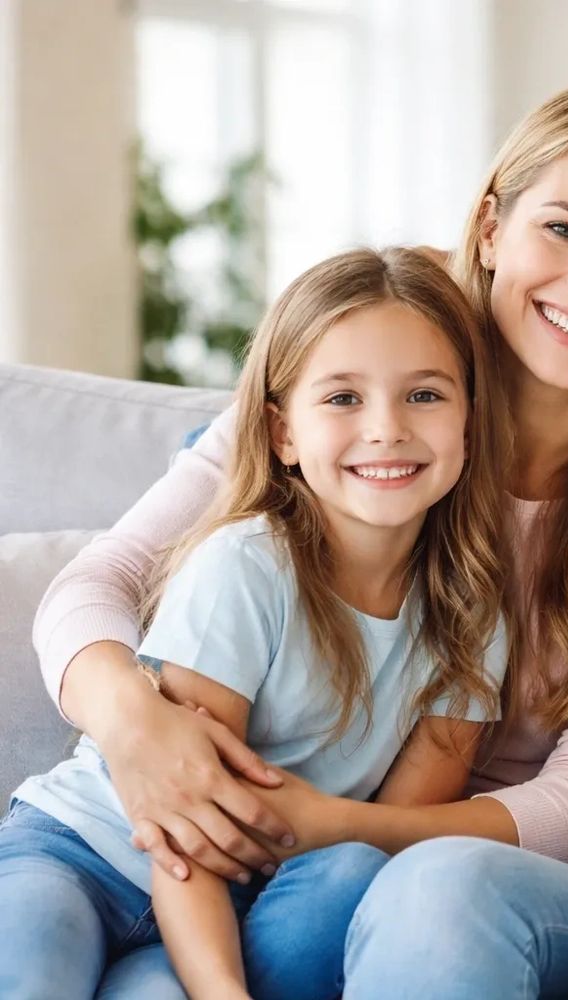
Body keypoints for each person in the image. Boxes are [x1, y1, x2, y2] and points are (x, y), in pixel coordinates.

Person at [30, 80, 568, 998]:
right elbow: (96, 581)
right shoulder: (369, 370)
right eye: (565, 230)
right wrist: (134, 725)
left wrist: (329, 823)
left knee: (433, 886)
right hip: (306, 875)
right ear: (492, 228)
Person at [1, 246, 512, 999]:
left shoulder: (473, 613)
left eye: (425, 396)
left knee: (353, 871)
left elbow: (389, 837)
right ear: (282, 434)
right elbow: (183, 815)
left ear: (471, 417)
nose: (386, 429)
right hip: (85, 851)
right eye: (343, 398)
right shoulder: (247, 564)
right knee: (33, 973)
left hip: (241, 901)